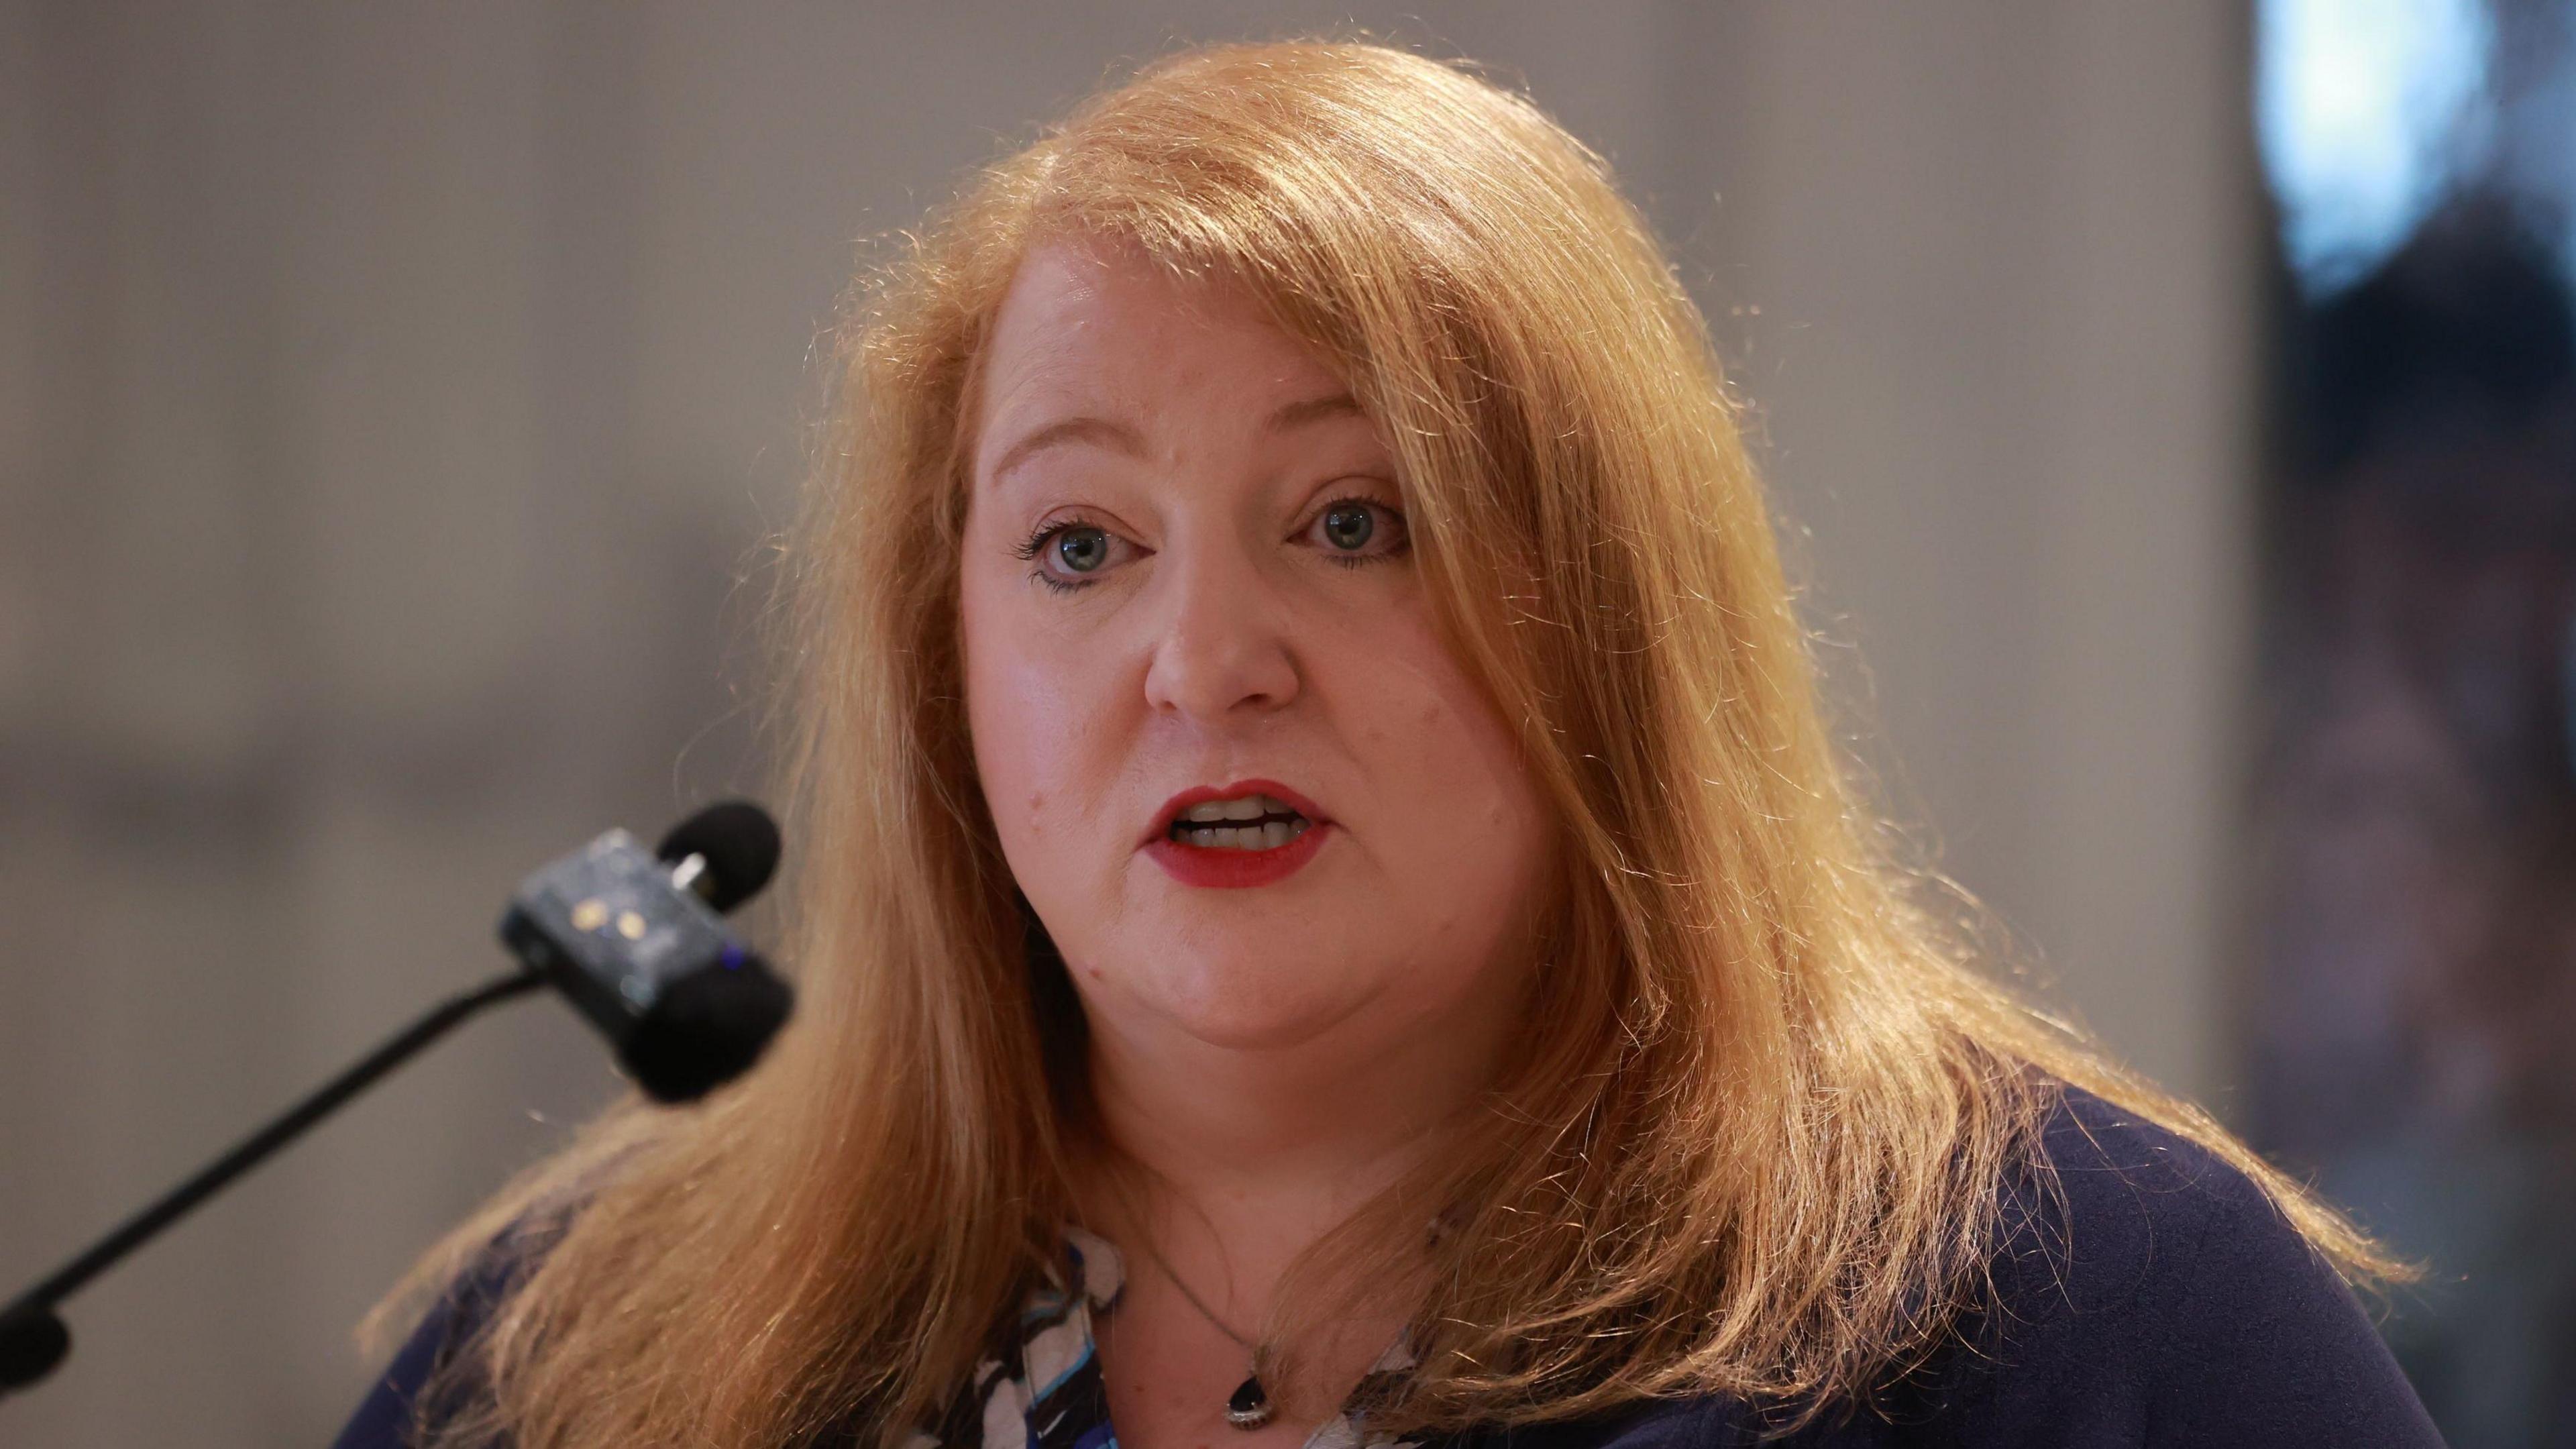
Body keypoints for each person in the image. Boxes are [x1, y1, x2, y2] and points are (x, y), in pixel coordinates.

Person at [333, 39, 2443, 1449]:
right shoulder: (585, 1355)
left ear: (1613, 623)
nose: (1206, 661)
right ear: (941, 668)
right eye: (1080, 544)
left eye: (1357, 523)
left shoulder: (2077, 1315)